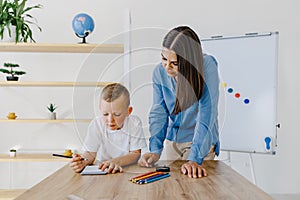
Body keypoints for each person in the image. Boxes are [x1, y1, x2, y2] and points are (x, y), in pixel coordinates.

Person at [138, 26, 220, 178]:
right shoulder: (159, 72)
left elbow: (207, 114)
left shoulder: (207, 66)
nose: (167, 67)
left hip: (199, 141)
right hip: (173, 139)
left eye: (174, 63)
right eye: (164, 59)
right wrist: (155, 150)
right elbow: (159, 112)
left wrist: (195, 158)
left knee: (194, 186)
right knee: (167, 187)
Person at [70, 83, 147, 174]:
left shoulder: (134, 123)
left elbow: (135, 154)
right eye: (105, 114)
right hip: (102, 171)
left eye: (117, 114)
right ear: (100, 109)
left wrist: (115, 162)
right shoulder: (96, 124)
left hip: (127, 171)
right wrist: (83, 162)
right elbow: (90, 154)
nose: (110, 120)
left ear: (128, 111)